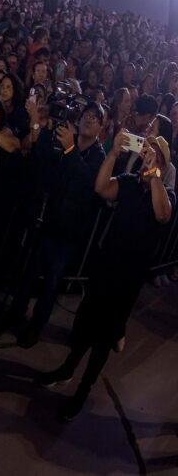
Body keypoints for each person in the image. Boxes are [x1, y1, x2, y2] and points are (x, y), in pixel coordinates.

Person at [37, 131, 174, 420]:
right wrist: (113, 154)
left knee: (103, 338)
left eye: (154, 155)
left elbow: (163, 215)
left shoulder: (165, 193)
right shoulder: (129, 183)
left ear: (163, 163)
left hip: (128, 278)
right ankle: (67, 369)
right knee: (85, 324)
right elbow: (101, 188)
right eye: (146, 152)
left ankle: (83, 389)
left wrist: (155, 175)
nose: (147, 157)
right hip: (105, 266)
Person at [0, 102, 105, 348]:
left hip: (69, 232)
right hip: (47, 219)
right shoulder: (67, 139)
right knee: (28, 274)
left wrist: (70, 149)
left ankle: (36, 326)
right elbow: (43, 158)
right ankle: (15, 314)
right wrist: (40, 125)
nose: (88, 120)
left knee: (51, 282)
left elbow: (87, 182)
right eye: (86, 115)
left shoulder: (99, 155)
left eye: (95, 117)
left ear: (102, 126)